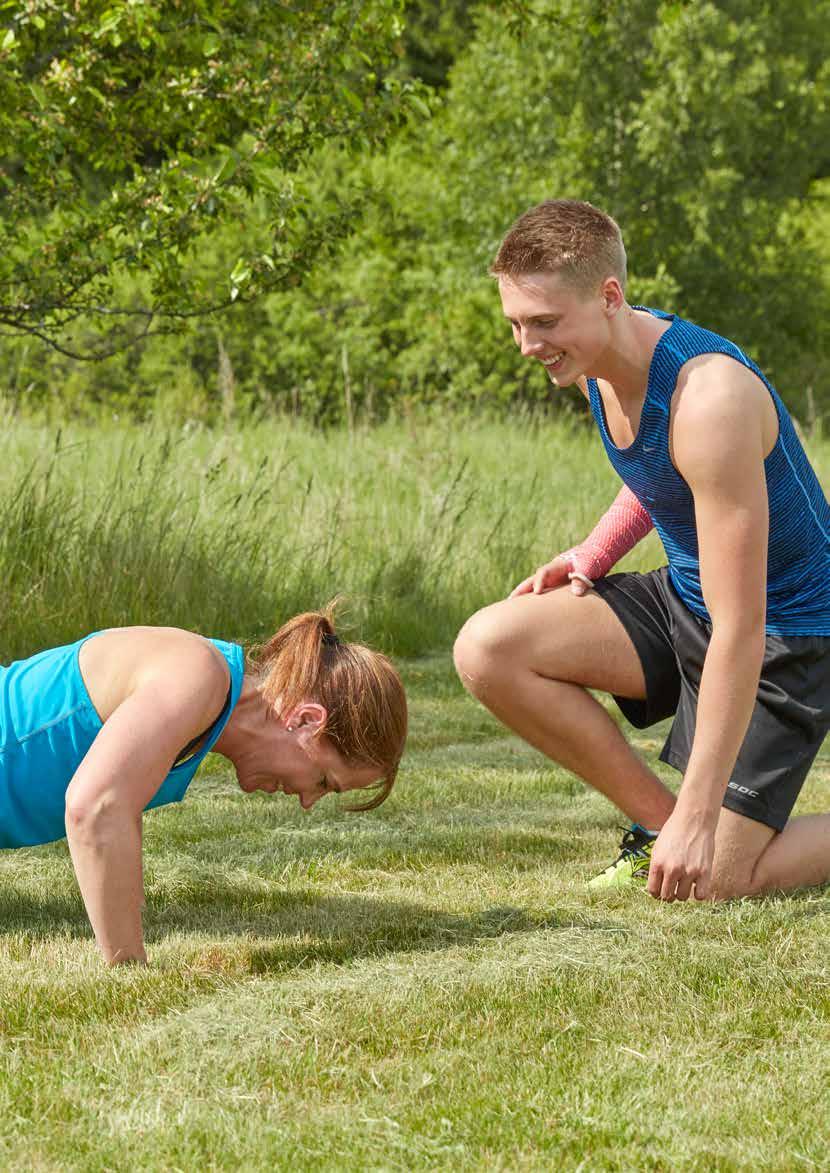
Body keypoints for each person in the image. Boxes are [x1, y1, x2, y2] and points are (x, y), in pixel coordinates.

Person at [454, 198, 830, 903]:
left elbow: (742, 627)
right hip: (692, 599)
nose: (527, 346)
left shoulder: (709, 400)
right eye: (515, 323)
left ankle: (695, 836)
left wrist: (702, 815)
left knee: (718, 879)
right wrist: (595, 550)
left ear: (610, 296)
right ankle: (661, 829)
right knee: (488, 647)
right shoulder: (596, 354)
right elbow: (662, 474)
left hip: (788, 630)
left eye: (543, 323)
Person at [0, 608, 407, 963]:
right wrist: (127, 968)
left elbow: (120, 809)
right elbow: (96, 807)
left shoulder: (210, 692)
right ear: (305, 721)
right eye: (323, 782)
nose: (306, 800)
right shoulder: (197, 675)